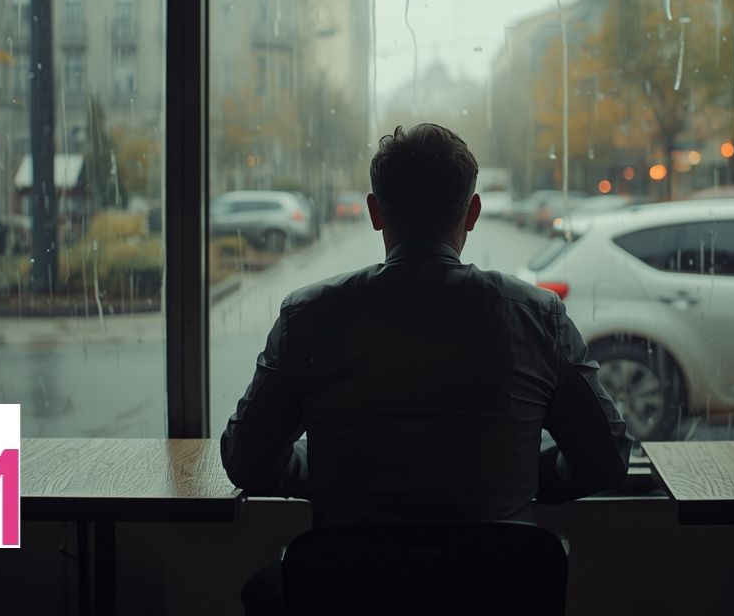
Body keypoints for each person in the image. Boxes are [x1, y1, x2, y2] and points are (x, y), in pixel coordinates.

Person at [221, 123, 633, 614]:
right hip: (497, 595)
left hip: (349, 596)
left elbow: (247, 459)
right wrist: (523, 473)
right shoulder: (537, 316)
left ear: (376, 212)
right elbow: (605, 459)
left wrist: (321, 470)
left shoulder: (309, 316)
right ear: (473, 213)